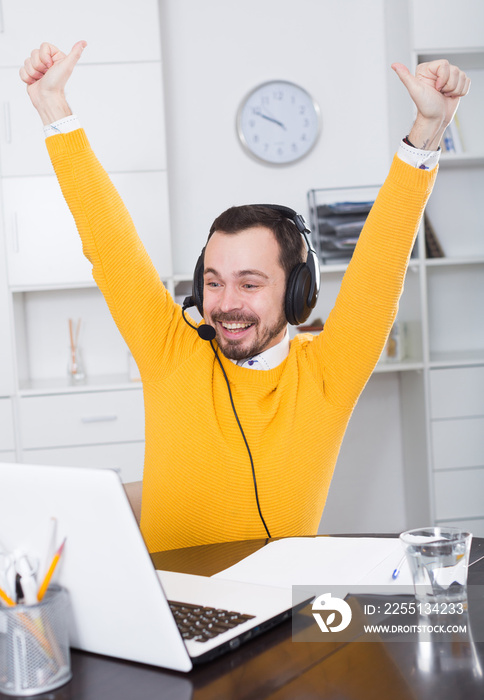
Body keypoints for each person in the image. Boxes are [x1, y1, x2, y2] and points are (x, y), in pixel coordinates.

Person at [20, 42, 470, 553]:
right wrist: (52, 107)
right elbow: (108, 241)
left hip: (280, 621)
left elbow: (382, 258)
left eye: (250, 284)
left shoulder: (329, 373)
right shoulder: (171, 352)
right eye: (213, 281)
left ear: (299, 291)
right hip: (170, 612)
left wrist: (428, 131)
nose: (226, 303)